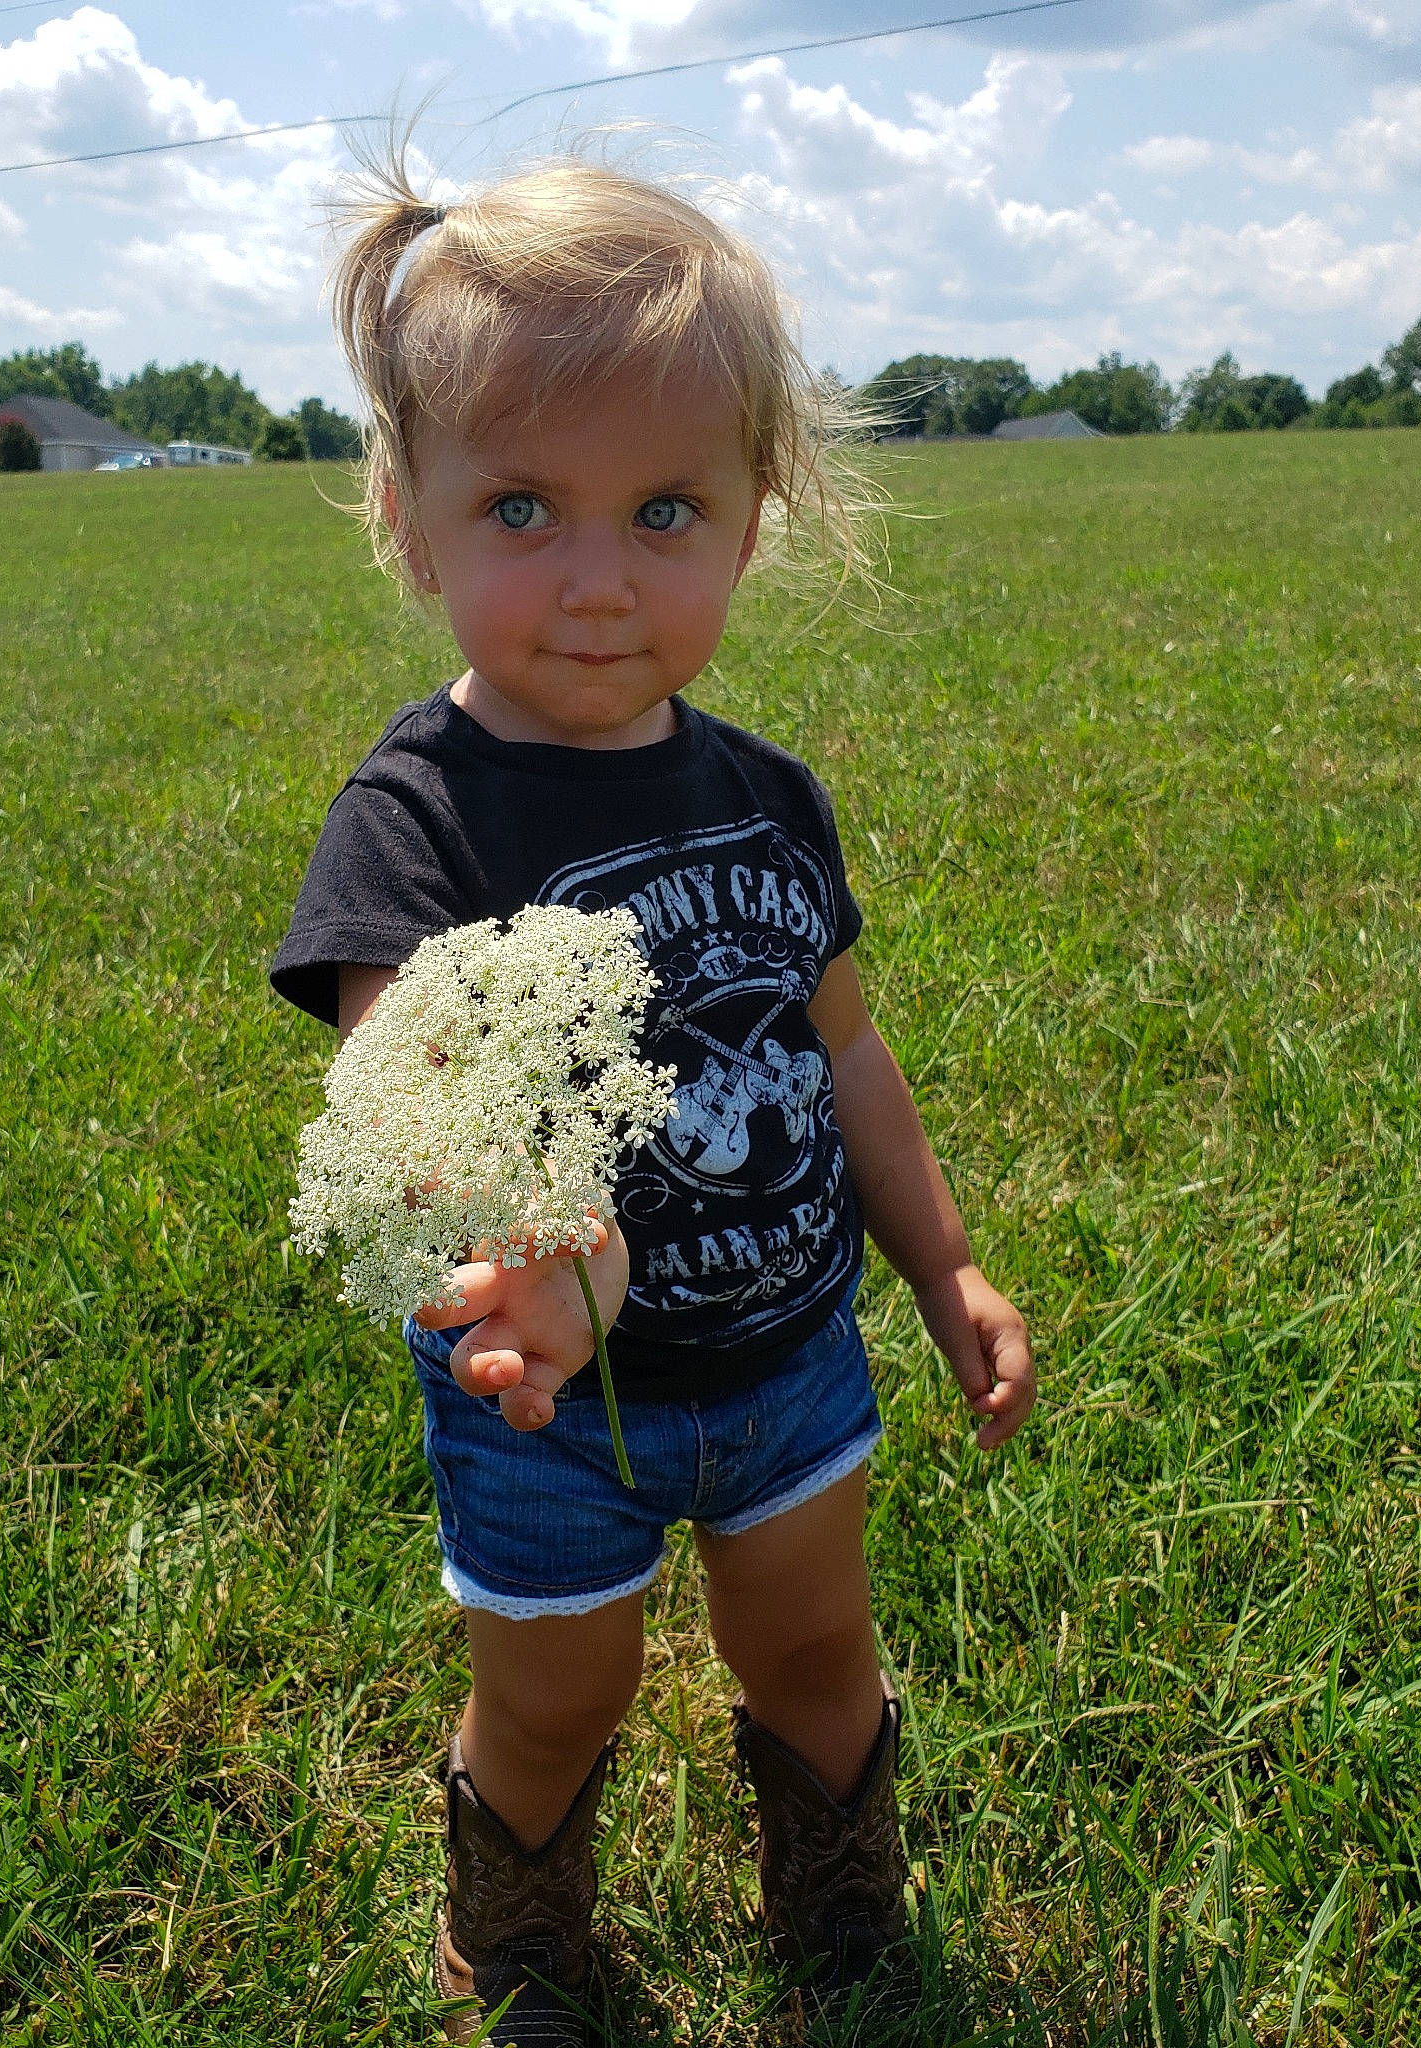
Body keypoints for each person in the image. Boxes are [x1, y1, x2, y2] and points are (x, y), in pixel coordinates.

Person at [271, 146, 1037, 2047]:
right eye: (522, 505)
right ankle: (520, 1915)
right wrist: (523, 1257)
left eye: (666, 510)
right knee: (555, 1691)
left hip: (787, 1354)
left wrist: (941, 1269)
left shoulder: (768, 793)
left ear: (753, 520)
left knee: (814, 1646)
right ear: (408, 517)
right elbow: (395, 1084)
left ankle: (837, 1891)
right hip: (545, 1411)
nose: (599, 580)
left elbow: (844, 1044)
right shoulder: (419, 817)